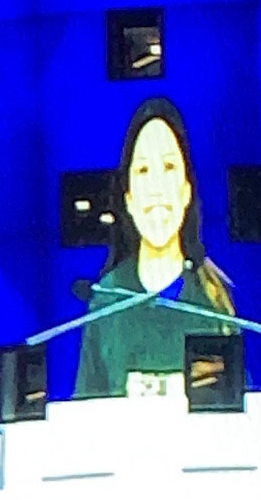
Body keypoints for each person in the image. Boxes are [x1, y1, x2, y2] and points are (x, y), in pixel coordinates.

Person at [73, 99, 235, 400]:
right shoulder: (107, 300)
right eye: (143, 170)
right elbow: (85, 409)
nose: (157, 188)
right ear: (129, 200)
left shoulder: (213, 301)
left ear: (186, 192)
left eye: (169, 167)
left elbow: (237, 414)